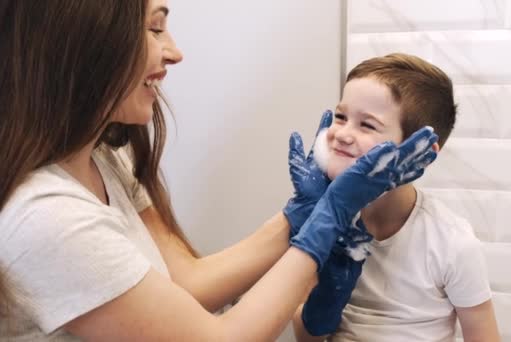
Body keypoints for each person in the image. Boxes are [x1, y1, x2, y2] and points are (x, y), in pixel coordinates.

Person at [0, 1, 439, 341]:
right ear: (80, 42)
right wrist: (330, 215)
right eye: (155, 28)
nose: (174, 51)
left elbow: (188, 283)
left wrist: (301, 214)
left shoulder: (106, 159)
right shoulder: (46, 218)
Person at [292, 53, 501, 341]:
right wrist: (321, 309)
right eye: (341, 117)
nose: (342, 134)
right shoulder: (320, 223)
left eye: (367, 125)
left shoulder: (452, 243)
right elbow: (306, 338)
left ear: (421, 152)